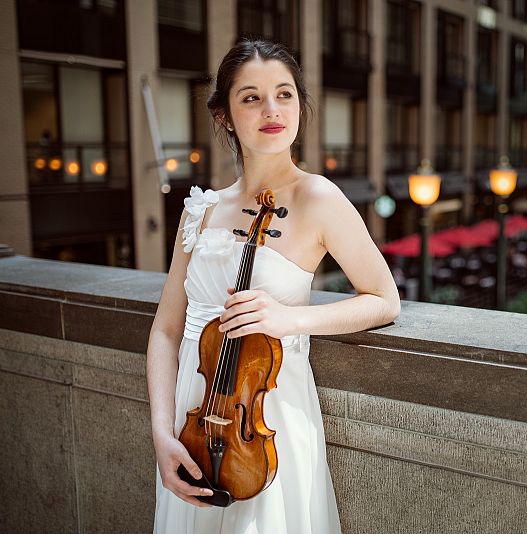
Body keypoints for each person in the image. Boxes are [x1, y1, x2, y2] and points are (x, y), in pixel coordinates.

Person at [147, 38, 401, 534]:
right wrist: (161, 432)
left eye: (285, 94)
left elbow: (383, 299)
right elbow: (165, 331)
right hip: (193, 420)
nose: (272, 110)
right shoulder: (201, 208)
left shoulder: (319, 197)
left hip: (268, 420)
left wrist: (290, 319)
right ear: (223, 114)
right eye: (251, 97)